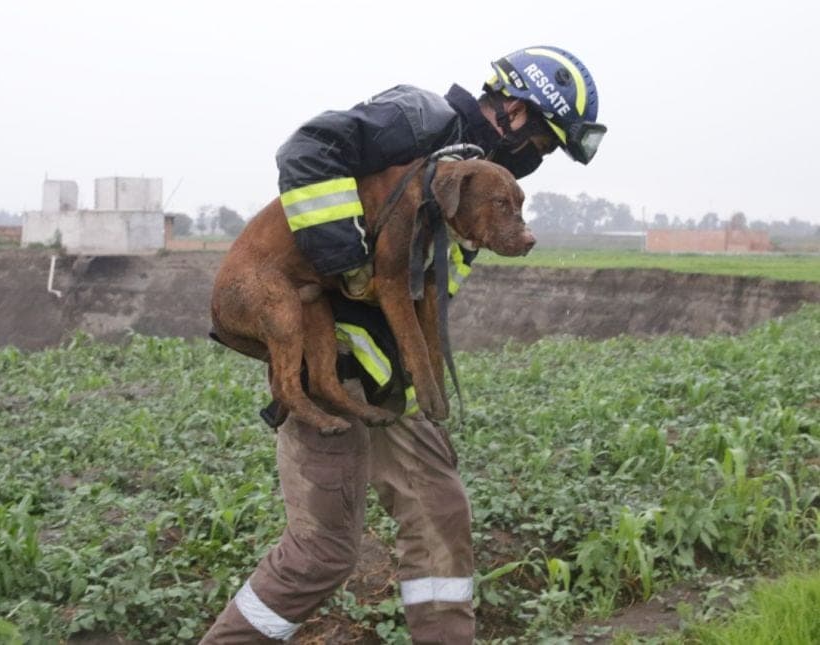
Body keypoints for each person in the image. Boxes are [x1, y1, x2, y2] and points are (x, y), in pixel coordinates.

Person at [201, 46, 605, 643]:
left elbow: (422, 297)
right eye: (543, 144)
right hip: (328, 371)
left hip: (388, 381)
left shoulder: (475, 187)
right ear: (515, 112)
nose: (536, 161)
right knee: (323, 553)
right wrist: (346, 260)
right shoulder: (419, 119)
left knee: (440, 512)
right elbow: (308, 150)